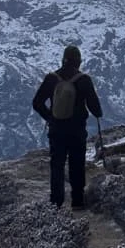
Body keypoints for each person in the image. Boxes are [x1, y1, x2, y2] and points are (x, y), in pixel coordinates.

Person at [32, 44, 103, 209]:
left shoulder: (51, 78)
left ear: (63, 60)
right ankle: (77, 201)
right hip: (77, 130)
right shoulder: (84, 80)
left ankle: (56, 203)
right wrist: (97, 113)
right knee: (76, 164)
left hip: (57, 129)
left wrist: (50, 117)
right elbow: (95, 108)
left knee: (57, 164)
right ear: (78, 61)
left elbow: (37, 103)